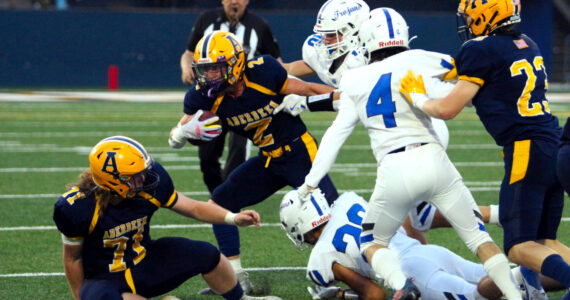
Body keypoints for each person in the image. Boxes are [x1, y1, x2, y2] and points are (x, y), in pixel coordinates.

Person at [295, 8, 522, 300]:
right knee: (480, 240)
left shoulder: (354, 80)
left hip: (395, 169)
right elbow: (463, 74)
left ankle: (402, 284)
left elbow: (335, 137)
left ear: (366, 38)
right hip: (434, 157)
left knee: (372, 242)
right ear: (403, 34)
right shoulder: (423, 58)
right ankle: (515, 296)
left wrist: (310, 183)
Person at [399, 0, 570, 298]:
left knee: (519, 247)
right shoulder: (525, 42)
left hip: (526, 149)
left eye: (469, 15)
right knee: (545, 242)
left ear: (486, 13)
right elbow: (473, 71)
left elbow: (448, 108)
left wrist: (416, 97)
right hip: (552, 145)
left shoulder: (480, 49)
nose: (465, 21)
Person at [168, 31, 339, 294]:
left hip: (299, 153)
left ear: (236, 63)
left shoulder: (264, 73)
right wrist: (182, 135)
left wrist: (322, 102)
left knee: (330, 214)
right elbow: (176, 135)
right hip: (268, 159)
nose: (210, 76)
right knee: (221, 203)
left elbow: (315, 90)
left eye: (216, 68)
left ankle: (339, 275)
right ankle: (234, 279)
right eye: (205, 70)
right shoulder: (203, 96)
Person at [52, 136, 281, 300]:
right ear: (113, 181)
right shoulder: (77, 208)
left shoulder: (150, 185)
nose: (144, 178)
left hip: (145, 262)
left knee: (207, 254)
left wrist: (232, 217)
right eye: (135, 176)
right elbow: (72, 259)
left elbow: (193, 207)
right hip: (105, 279)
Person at [280, 189, 518, 300]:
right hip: (427, 252)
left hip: (412, 273)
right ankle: (540, 265)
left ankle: (527, 273)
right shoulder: (347, 201)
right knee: (496, 276)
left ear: (298, 226)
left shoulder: (321, 258)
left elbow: (375, 294)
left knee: (477, 296)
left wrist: (341, 296)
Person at [180, 0, 282, 201]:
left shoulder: (259, 25)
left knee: (238, 154)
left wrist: (282, 87)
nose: (235, 1)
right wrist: (185, 68)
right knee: (207, 157)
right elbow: (189, 53)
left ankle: (225, 201)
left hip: (244, 99)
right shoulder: (206, 20)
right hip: (213, 99)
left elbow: (276, 62)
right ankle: (219, 195)